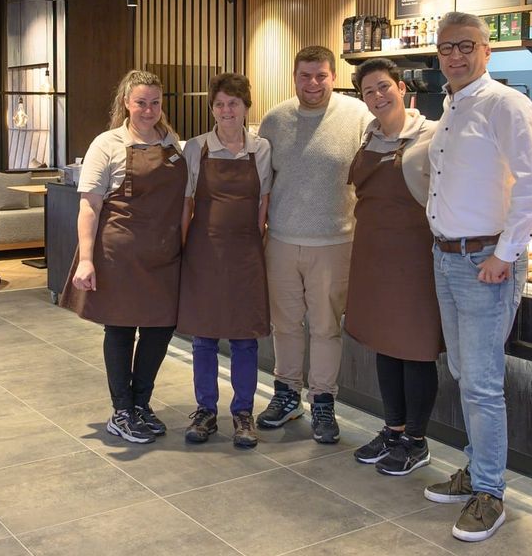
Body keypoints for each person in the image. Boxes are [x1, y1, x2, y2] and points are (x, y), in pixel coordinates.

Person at [420, 12, 532, 542]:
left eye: (466, 46)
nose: (455, 56)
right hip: (447, 258)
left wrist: (505, 252)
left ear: (486, 50)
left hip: (483, 264)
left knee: (481, 384)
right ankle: (475, 470)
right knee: (463, 375)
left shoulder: (506, 105)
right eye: (447, 48)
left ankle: (490, 492)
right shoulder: (450, 106)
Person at [60, 70, 187, 445]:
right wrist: (86, 259)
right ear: (126, 104)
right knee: (120, 328)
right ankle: (122, 411)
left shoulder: (171, 143)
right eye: (141, 103)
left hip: (163, 253)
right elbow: (89, 206)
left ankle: (141, 404)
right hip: (119, 252)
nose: (149, 110)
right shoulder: (108, 144)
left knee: (160, 328)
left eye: (155, 102)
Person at [255, 45, 370, 443]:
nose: (313, 84)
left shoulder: (357, 116)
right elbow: (261, 183)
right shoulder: (275, 120)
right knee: (284, 324)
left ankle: (324, 400)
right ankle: (287, 395)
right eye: (305, 75)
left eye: (321, 75)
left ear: (333, 76)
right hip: (282, 240)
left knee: (325, 327)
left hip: (335, 242)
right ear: (294, 77)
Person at [344, 58, 443, 476]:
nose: (378, 96)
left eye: (384, 87)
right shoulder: (367, 136)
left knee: (415, 349)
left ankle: (416, 441)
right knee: (386, 346)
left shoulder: (433, 135)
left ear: (402, 88)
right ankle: (393, 429)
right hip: (372, 254)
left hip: (414, 256)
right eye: (369, 91)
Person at [176, 73, 272, 449]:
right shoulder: (196, 148)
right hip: (204, 251)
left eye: (234, 103)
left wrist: (258, 247)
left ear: (246, 107)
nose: (227, 110)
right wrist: (184, 251)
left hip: (246, 252)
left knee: (245, 338)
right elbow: (187, 204)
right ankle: (205, 411)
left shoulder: (261, 149)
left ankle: (244, 413)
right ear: (212, 108)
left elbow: (264, 203)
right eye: (219, 104)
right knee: (204, 337)